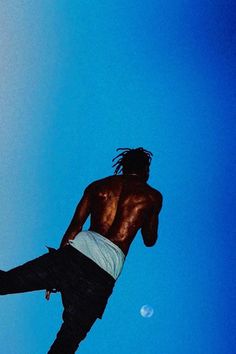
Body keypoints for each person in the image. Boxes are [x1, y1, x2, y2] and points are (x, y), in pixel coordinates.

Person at [0, 147, 163, 353]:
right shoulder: (152, 197)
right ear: (145, 169)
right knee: (67, 342)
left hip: (72, 257)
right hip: (101, 275)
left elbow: (75, 226)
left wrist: (55, 271)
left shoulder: (98, 186)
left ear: (124, 166)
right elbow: (150, 240)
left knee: (7, 282)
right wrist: (146, 216)